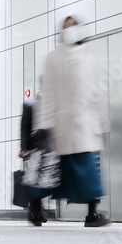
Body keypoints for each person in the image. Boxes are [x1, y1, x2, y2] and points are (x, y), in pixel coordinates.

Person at [34, 17, 110, 227]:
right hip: (62, 125)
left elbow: (95, 92)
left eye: (73, 26)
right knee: (53, 173)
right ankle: (34, 205)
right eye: (66, 27)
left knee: (89, 171)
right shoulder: (53, 58)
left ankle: (92, 214)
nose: (70, 30)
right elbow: (48, 93)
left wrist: (100, 121)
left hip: (85, 124)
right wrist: (44, 124)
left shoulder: (89, 57)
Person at [19, 76, 48, 226]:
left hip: (49, 148)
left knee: (44, 180)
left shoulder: (54, 104)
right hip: (34, 148)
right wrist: (23, 148)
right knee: (34, 180)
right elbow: (24, 128)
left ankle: (38, 210)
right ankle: (34, 212)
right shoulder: (30, 104)